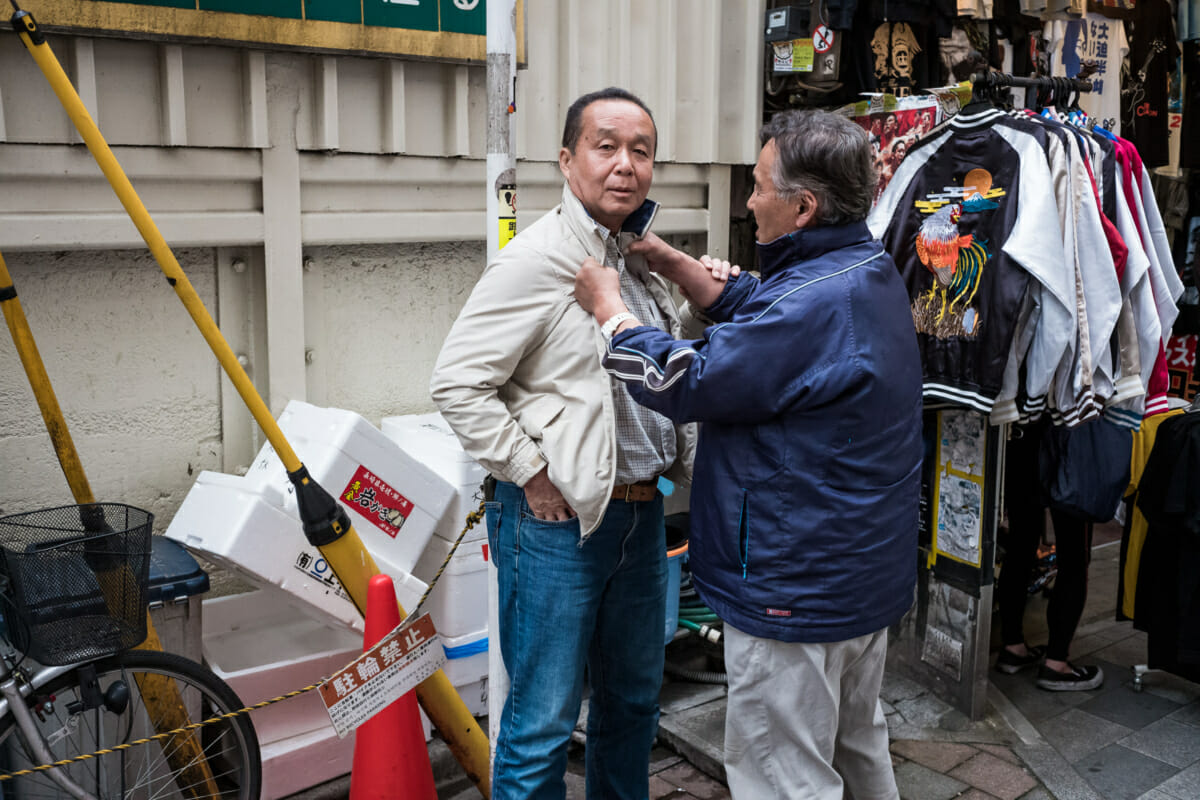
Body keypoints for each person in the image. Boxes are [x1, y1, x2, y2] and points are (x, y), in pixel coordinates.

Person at [574, 109, 923, 800]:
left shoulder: (814, 302)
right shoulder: (864, 268)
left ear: (804, 206)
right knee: (856, 744)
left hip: (793, 586)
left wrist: (613, 313)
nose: (749, 199)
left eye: (760, 186)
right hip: (858, 578)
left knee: (783, 772)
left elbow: (688, 381)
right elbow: (777, 319)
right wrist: (678, 267)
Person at [429, 87, 695, 800]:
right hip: (556, 529)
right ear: (567, 159)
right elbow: (456, 384)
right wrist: (531, 474)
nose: (625, 165)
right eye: (605, 146)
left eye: (641, 150)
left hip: (641, 520)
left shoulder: (636, 258)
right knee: (541, 725)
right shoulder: (538, 259)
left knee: (632, 708)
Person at [994, 419, 1105, 690]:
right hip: (1068, 437)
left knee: (1021, 544)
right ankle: (1056, 663)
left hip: (1021, 434)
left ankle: (1013, 647)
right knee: (1074, 556)